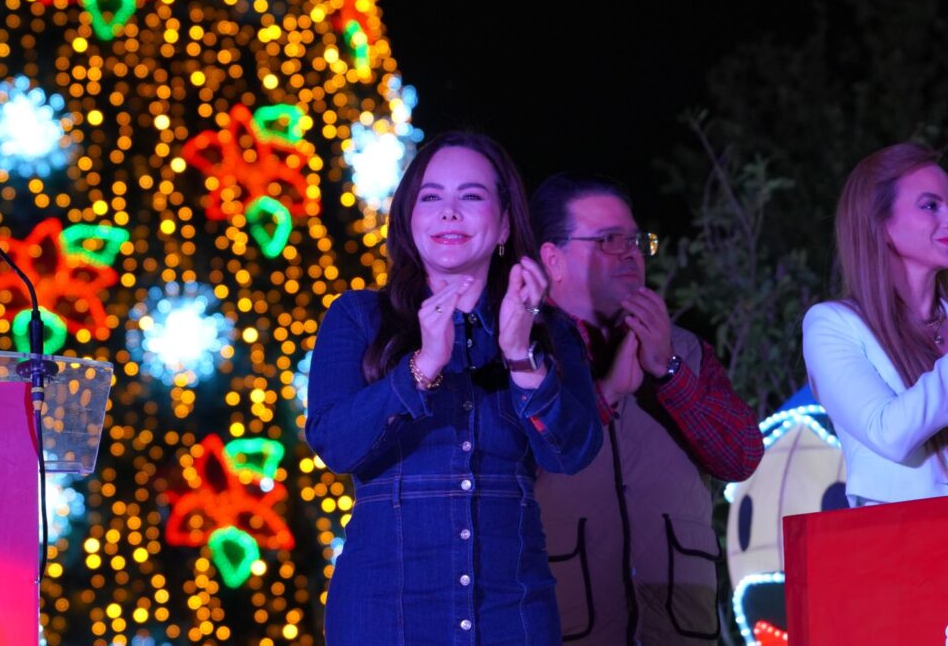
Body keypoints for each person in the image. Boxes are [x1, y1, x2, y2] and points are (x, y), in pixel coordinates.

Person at [306, 132, 603, 645]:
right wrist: (421, 366)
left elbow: (572, 453)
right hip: (383, 613)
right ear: (408, 219)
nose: (449, 212)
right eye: (431, 197)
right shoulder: (357, 317)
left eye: (471, 196)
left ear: (506, 221)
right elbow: (334, 444)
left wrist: (518, 354)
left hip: (513, 611)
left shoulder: (549, 330)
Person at [529, 173, 763, 645]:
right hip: (565, 627)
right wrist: (607, 393)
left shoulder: (686, 351)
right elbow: (514, 464)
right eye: (607, 240)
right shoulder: (521, 353)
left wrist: (669, 372)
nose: (630, 252)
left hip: (678, 629)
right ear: (552, 259)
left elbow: (741, 456)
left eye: (634, 239)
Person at [803, 142, 948, 506]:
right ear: (880, 225)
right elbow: (888, 433)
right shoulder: (833, 325)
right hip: (905, 547)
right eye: (931, 205)